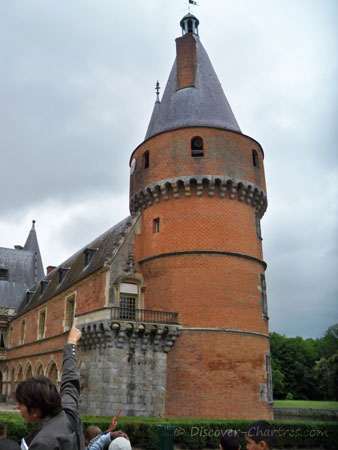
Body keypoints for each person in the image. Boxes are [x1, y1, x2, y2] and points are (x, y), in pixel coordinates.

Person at [16, 318, 85, 449]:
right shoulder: (69, 414)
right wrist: (71, 343)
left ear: (36, 411)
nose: (18, 408)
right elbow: (70, 381)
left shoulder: (42, 443)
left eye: (21, 403)